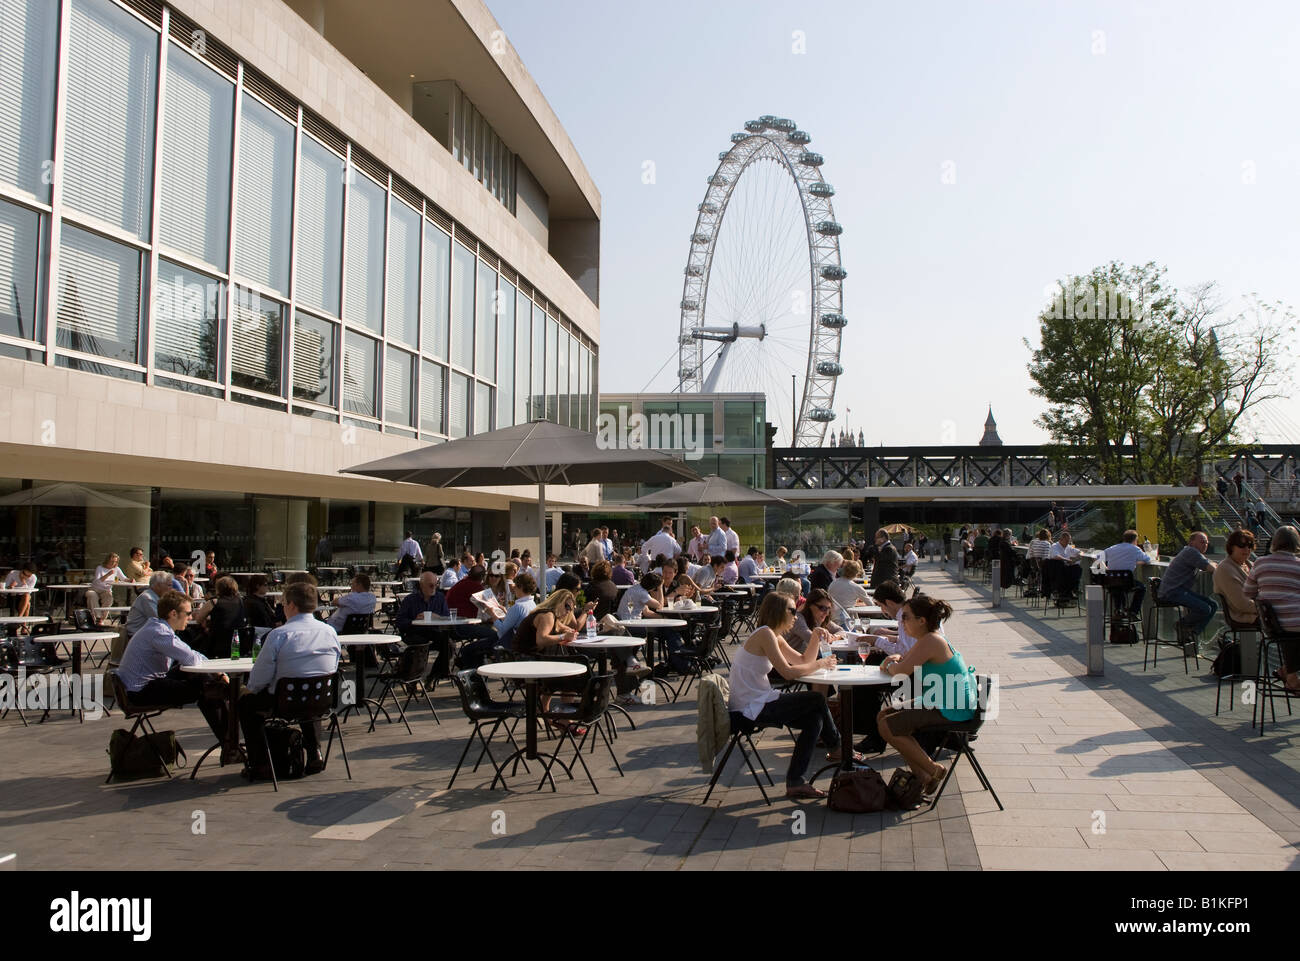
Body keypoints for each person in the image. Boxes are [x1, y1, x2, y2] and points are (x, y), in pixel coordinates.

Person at [729, 591, 842, 799]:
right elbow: (788, 673)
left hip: (760, 701)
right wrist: (820, 663)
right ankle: (837, 747)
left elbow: (801, 660)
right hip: (749, 708)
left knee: (814, 719)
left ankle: (796, 782)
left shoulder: (774, 635)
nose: (797, 614)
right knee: (816, 699)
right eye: (793, 610)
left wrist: (816, 636)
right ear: (779, 611)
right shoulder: (765, 634)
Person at [238, 580, 342, 780]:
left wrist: (248, 688)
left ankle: (260, 762)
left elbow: (259, 678)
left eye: (284, 603)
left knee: (246, 703)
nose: (283, 608)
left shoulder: (279, 635)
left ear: (292, 605)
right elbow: (333, 666)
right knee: (309, 694)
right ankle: (314, 751)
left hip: (284, 702)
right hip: (322, 700)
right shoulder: (330, 632)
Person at [116, 590, 235, 762]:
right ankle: (229, 745)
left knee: (200, 679)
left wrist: (216, 673)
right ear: (173, 613)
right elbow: (190, 657)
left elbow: (190, 655)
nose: (191, 616)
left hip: (142, 685)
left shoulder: (157, 627)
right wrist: (218, 673)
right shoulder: (159, 633)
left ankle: (229, 744)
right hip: (140, 692)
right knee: (207, 689)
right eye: (187, 613)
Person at [876, 594, 976, 796]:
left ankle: (933, 770)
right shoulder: (928, 639)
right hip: (943, 698)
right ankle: (924, 777)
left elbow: (900, 671)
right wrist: (894, 663)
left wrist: (889, 663)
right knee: (883, 715)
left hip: (951, 706)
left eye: (906, 618)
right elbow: (902, 665)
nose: (902, 622)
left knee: (887, 726)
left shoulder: (931, 641)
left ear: (922, 621)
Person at [1243, 526, 1300, 692]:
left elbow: (1248, 592)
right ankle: (1290, 674)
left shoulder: (1260, 563)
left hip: (1271, 625)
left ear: (1274, 543)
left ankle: (1288, 673)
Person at [1157, 531, 1218, 646]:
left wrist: (1212, 564)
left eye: (1206, 542)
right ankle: (1182, 626)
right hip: (1172, 591)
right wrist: (1213, 565)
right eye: (1201, 542)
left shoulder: (1191, 552)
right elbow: (1211, 568)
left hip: (1179, 590)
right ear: (1191, 542)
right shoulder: (1191, 552)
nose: (1205, 544)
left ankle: (1192, 633)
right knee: (1205, 608)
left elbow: (1210, 564)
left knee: (1213, 605)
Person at [395, 571, 453, 679]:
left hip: (433, 632)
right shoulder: (410, 600)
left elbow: (446, 617)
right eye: (431, 585)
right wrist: (413, 621)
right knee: (421, 644)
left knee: (448, 644)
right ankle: (412, 678)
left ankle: (434, 675)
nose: (434, 588)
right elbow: (399, 621)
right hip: (414, 632)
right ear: (422, 585)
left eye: (436, 585)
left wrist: (436, 617)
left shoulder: (440, 598)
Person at [192, 576, 245, 658]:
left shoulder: (213, 602)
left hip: (217, 641)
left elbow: (198, 620)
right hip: (237, 640)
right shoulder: (240, 601)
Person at [1213, 528, 1258, 626]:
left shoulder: (1250, 565)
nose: (1247, 549)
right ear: (1232, 547)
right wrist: (1269, 608)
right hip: (1243, 616)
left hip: (1258, 612)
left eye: (1249, 545)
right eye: (1242, 545)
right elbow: (1242, 604)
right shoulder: (1225, 569)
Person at [1103, 530, 1150, 617]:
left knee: (1117, 587)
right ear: (1135, 540)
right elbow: (1147, 559)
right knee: (1142, 588)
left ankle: (1118, 610)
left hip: (1110, 581)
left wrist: (1106, 569)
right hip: (1127, 582)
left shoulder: (1112, 548)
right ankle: (1133, 611)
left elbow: (1097, 558)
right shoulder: (1135, 549)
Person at [786, 588, 844, 654]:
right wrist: (827, 638)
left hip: (805, 661)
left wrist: (834, 637)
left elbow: (841, 631)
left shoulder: (819, 618)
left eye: (829, 609)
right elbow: (812, 639)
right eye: (823, 608)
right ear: (810, 605)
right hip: (791, 662)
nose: (827, 613)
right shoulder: (797, 619)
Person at [85, 553, 128, 624]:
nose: (113, 563)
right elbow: (97, 581)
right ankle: (97, 617)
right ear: (107, 560)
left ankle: (101, 619)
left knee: (109, 599)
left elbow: (124, 578)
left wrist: (130, 580)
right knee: (91, 595)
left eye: (115, 562)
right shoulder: (100, 568)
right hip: (95, 588)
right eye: (112, 561)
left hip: (106, 589)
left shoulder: (116, 569)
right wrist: (108, 574)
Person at [828, 560, 872, 624]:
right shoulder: (856, 587)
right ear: (857, 573)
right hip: (849, 620)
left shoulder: (833, 583)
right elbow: (871, 605)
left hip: (832, 619)